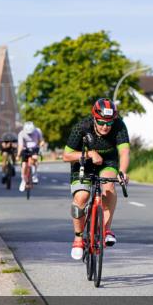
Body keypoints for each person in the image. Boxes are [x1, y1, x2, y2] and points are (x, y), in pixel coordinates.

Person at [62, 98, 130, 260]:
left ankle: (106, 229)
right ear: (94, 118)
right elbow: (66, 156)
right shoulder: (81, 127)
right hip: (83, 162)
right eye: (101, 122)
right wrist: (88, 154)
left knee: (108, 187)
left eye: (109, 123)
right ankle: (78, 238)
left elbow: (124, 152)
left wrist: (123, 171)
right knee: (81, 197)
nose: (105, 126)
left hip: (108, 162)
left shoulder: (119, 126)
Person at [17, 121, 44, 192]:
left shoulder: (38, 131)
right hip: (25, 149)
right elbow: (20, 145)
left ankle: (34, 175)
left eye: (31, 133)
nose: (30, 135)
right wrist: (18, 155)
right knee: (23, 165)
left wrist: (41, 146)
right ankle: (23, 179)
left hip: (34, 148)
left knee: (35, 158)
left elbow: (41, 141)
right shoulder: (21, 133)